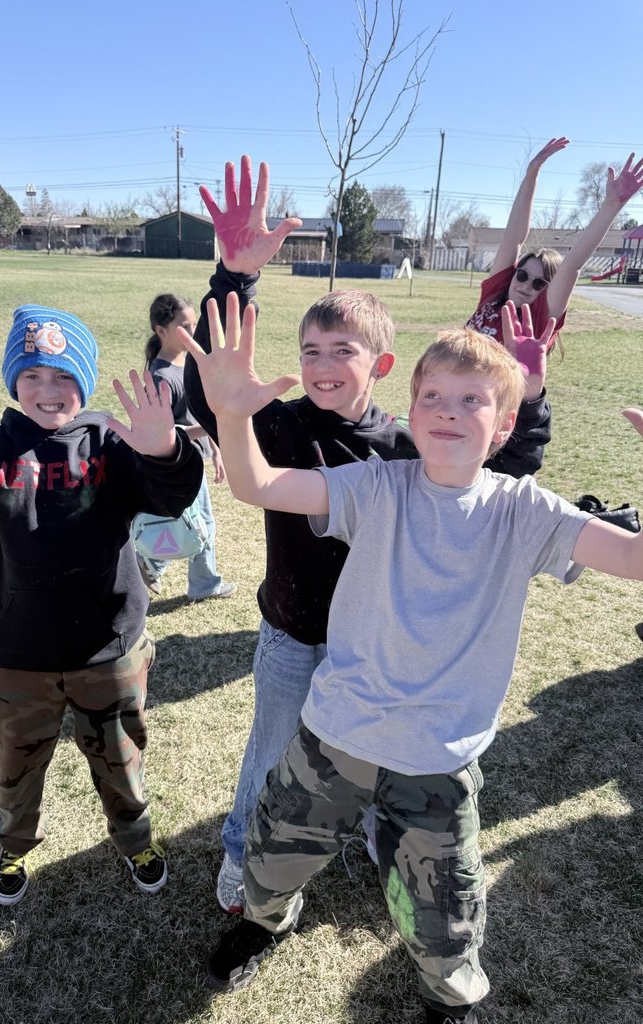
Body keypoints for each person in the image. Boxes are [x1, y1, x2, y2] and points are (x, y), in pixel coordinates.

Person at [178, 294, 643, 1024]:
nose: (447, 410)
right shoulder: (377, 484)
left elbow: (635, 559)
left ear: (504, 424)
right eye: (431, 396)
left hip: (437, 760)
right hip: (334, 736)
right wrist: (232, 415)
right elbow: (255, 485)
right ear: (412, 407)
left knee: (445, 912)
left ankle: (447, 994)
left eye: (471, 399)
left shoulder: (528, 512)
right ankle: (265, 923)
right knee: (271, 861)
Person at [183, 156, 553, 914]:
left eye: (342, 352)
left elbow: (505, 463)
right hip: (293, 637)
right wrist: (234, 279)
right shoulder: (283, 427)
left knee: (373, 765)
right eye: (311, 352)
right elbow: (212, 394)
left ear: (380, 364)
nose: (322, 366)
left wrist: (532, 399)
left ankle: (367, 846)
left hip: (380, 652)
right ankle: (239, 856)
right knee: (272, 758)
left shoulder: (407, 444)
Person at [0, 305, 203, 906]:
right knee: (14, 765)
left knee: (121, 757)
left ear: (83, 383)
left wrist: (164, 450)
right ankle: (14, 844)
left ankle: (135, 838)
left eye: (63, 377)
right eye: (32, 375)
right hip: (14, 656)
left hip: (108, 649)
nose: (48, 390)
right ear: (13, 381)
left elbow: (170, 491)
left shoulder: (111, 441)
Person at [467, 138, 643, 351]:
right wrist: (531, 175)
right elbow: (513, 238)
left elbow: (572, 265)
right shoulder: (494, 296)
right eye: (522, 275)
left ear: (548, 290)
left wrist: (611, 206)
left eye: (539, 283)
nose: (525, 285)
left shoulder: (540, 320)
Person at [139, 292, 236, 603]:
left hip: (193, 458)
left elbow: (199, 412)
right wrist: (213, 427)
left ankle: (152, 565)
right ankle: (195, 580)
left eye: (194, 325)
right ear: (161, 330)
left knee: (188, 520)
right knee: (198, 522)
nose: (193, 333)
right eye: (185, 326)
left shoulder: (189, 363)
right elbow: (163, 430)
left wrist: (216, 448)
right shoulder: (161, 376)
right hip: (177, 463)